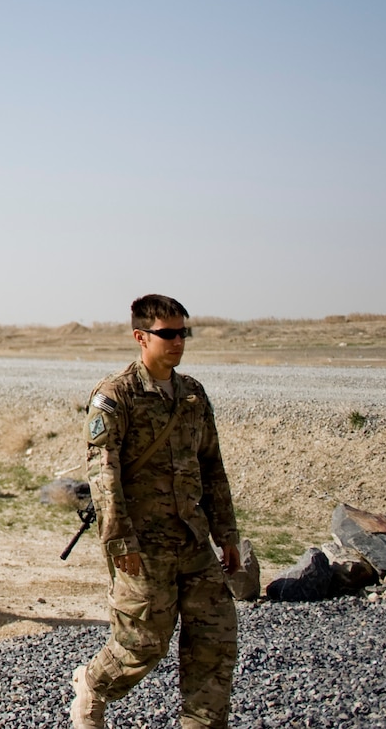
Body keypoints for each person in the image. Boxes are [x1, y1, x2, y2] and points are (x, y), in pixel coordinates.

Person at [70, 294, 240, 729]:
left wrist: (227, 534)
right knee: (142, 643)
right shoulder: (116, 396)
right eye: (168, 334)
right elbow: (103, 475)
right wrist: (119, 540)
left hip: (192, 539)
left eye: (183, 332)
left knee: (215, 640)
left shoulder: (192, 395)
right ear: (141, 337)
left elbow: (212, 466)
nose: (178, 341)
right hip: (142, 545)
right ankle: (92, 686)